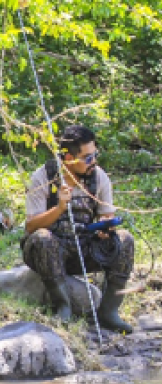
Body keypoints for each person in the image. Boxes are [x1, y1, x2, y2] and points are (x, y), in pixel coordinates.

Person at [22, 124, 135, 333]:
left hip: (85, 246)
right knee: (42, 238)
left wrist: (105, 228)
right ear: (69, 159)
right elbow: (31, 226)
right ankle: (62, 306)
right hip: (51, 252)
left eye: (95, 155)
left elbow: (105, 214)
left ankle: (109, 312)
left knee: (125, 238)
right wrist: (59, 208)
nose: (94, 162)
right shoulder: (43, 177)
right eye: (88, 158)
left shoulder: (99, 177)